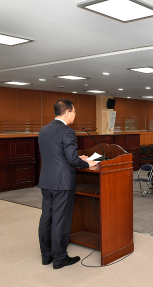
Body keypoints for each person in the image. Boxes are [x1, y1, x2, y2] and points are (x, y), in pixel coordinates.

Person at [38, 99, 97, 269]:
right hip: (62, 182)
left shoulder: (43, 130)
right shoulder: (68, 132)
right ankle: (60, 258)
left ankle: (46, 255)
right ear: (66, 112)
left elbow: (57, 154)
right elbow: (71, 159)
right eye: (74, 111)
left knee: (46, 218)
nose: (75, 115)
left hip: (47, 180)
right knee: (60, 220)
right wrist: (87, 163)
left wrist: (80, 158)